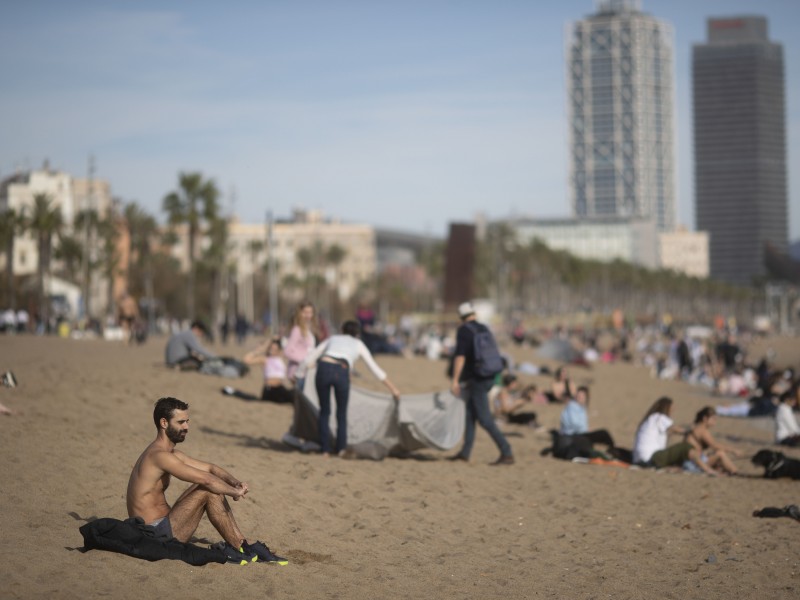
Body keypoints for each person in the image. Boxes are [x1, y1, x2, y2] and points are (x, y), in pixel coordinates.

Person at [126, 397, 287, 564]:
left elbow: (210, 468)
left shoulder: (170, 454)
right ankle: (239, 545)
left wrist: (234, 482)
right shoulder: (159, 456)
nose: (187, 427)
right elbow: (207, 480)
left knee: (210, 485)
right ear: (164, 423)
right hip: (153, 534)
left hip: (164, 526)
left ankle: (241, 544)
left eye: (187, 421)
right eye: (181, 422)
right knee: (208, 488)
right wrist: (234, 493)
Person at [296, 320, 401, 456]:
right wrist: (393, 388)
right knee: (341, 413)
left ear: (342, 330)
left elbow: (311, 356)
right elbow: (374, 368)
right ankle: (341, 449)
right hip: (341, 370)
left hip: (323, 367)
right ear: (357, 333)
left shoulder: (332, 338)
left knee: (324, 411)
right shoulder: (358, 344)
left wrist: (298, 374)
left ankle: (325, 450)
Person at [449, 302, 514, 465]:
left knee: (484, 419)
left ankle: (506, 451)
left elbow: (460, 357)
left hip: (478, 378)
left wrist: (455, 380)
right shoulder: (484, 328)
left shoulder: (464, 330)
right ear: (474, 314)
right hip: (491, 375)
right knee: (470, 414)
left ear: (461, 317)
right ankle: (465, 452)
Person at [632, 397, 714, 473]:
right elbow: (676, 429)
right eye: (672, 408)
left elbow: (670, 432)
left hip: (639, 459)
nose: (673, 410)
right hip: (651, 458)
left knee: (678, 452)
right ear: (666, 408)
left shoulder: (652, 418)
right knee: (685, 447)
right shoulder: (660, 417)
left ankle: (701, 466)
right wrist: (692, 429)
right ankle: (707, 469)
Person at [683, 406, 740, 475]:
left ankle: (732, 471)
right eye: (713, 419)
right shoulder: (702, 430)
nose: (715, 422)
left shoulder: (696, 426)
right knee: (720, 454)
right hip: (693, 464)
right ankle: (735, 472)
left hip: (690, 462)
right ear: (705, 418)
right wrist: (733, 450)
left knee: (714, 454)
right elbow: (714, 445)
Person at [243, 337, 294, 403]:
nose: (272, 350)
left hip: (280, 387)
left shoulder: (281, 359)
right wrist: (258, 351)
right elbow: (246, 360)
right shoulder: (265, 359)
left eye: (275, 349)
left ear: (279, 349)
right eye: (271, 348)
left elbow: (288, 345)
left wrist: (278, 338)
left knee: (293, 395)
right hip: (270, 389)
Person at [284, 301, 317, 393]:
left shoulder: (308, 329)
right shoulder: (297, 330)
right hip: (298, 372)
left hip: (306, 372)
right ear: (299, 313)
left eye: (310, 312)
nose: (308, 315)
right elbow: (287, 351)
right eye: (305, 312)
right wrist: (305, 361)